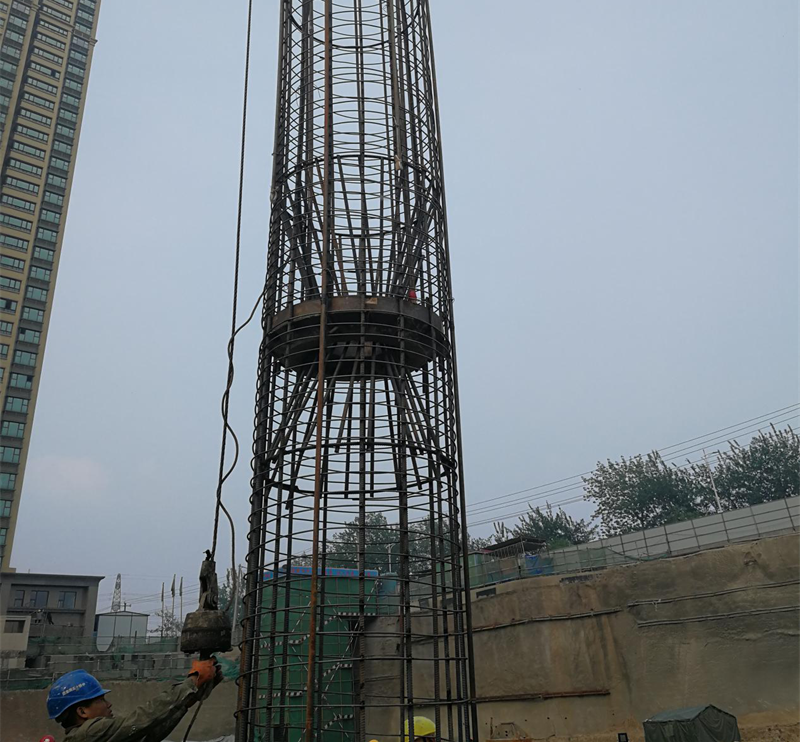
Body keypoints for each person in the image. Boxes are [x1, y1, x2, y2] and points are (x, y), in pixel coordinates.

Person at [46, 658, 223, 742]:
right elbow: (143, 718)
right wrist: (192, 682)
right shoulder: (90, 732)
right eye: (101, 700)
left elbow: (147, 735)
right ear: (82, 711)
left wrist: (186, 702)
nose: (109, 704)